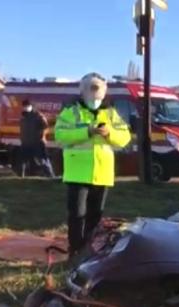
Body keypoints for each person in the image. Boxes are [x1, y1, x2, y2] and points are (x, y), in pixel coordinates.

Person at [54, 72, 131, 257]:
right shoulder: (71, 112)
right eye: (91, 92)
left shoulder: (111, 113)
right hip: (77, 172)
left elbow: (125, 138)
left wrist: (108, 133)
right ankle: (75, 249)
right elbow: (60, 136)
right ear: (83, 92)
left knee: (95, 217)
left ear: (104, 94)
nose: (95, 98)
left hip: (102, 173)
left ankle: (89, 250)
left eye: (99, 94)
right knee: (77, 215)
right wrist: (87, 131)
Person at [19, 99, 54, 177]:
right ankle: (21, 178)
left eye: (27, 106)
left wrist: (43, 136)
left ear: (31, 106)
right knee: (23, 162)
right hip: (26, 143)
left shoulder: (38, 116)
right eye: (24, 106)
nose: (25, 108)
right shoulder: (23, 117)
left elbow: (46, 127)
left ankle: (51, 176)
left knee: (42, 161)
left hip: (37, 142)